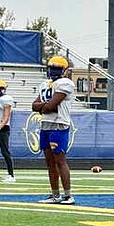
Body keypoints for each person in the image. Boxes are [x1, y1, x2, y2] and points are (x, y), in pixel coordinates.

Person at [33, 55, 76, 205]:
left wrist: (43, 106)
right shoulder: (45, 84)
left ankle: (68, 195)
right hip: (45, 124)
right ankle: (55, 194)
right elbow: (34, 105)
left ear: (64, 70)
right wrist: (45, 106)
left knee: (60, 160)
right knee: (49, 162)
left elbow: (51, 106)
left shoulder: (65, 83)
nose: (53, 71)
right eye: (52, 68)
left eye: (57, 68)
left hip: (59, 125)